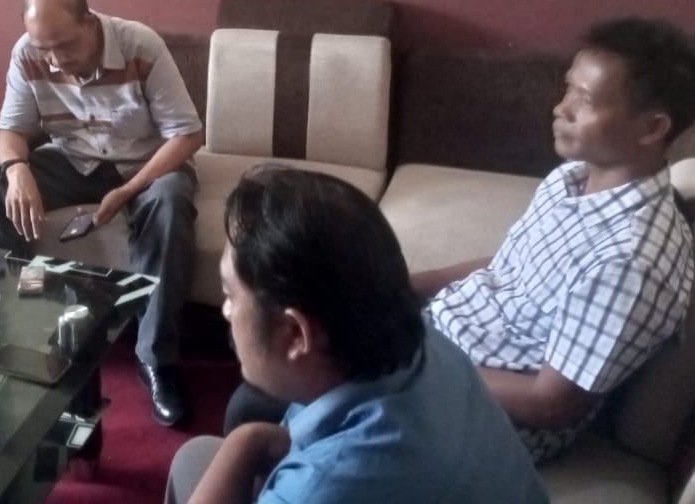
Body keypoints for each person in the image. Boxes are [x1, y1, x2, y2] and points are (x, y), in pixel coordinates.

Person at [225, 16, 695, 463]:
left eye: (585, 99)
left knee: (258, 402)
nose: (561, 107)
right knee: (278, 351)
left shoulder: (630, 261)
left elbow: (550, 404)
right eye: (568, 87)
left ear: (652, 127)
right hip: (430, 344)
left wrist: (406, 356)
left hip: (475, 410)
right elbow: (508, 267)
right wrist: (395, 286)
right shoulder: (572, 179)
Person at [166, 166, 548, 504]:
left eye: (231, 295)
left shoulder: (322, 486)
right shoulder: (425, 343)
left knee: (193, 461)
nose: (225, 311)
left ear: (296, 334)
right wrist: (252, 440)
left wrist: (244, 440)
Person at [0, 0, 203, 425]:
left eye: (65, 45)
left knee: (170, 198)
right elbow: (10, 131)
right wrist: (16, 169)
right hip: (74, 161)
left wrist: (129, 191)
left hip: (146, 166)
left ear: (90, 23)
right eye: (45, 50)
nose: (56, 60)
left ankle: (155, 358)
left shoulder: (140, 45)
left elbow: (187, 136)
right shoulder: (27, 53)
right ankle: (1, 326)